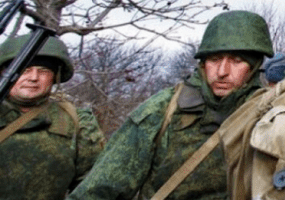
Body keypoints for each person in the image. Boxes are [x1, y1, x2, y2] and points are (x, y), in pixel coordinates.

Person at [68, 10, 274, 200]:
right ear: (203, 63)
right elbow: (102, 187)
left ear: (253, 67)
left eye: (237, 61)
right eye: (214, 59)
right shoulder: (163, 109)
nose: (222, 71)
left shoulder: (270, 116)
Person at [0, 35, 105, 200]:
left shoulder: (76, 121)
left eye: (43, 71)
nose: (33, 77)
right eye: (25, 70)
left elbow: (94, 186)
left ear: (54, 77)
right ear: (4, 73)